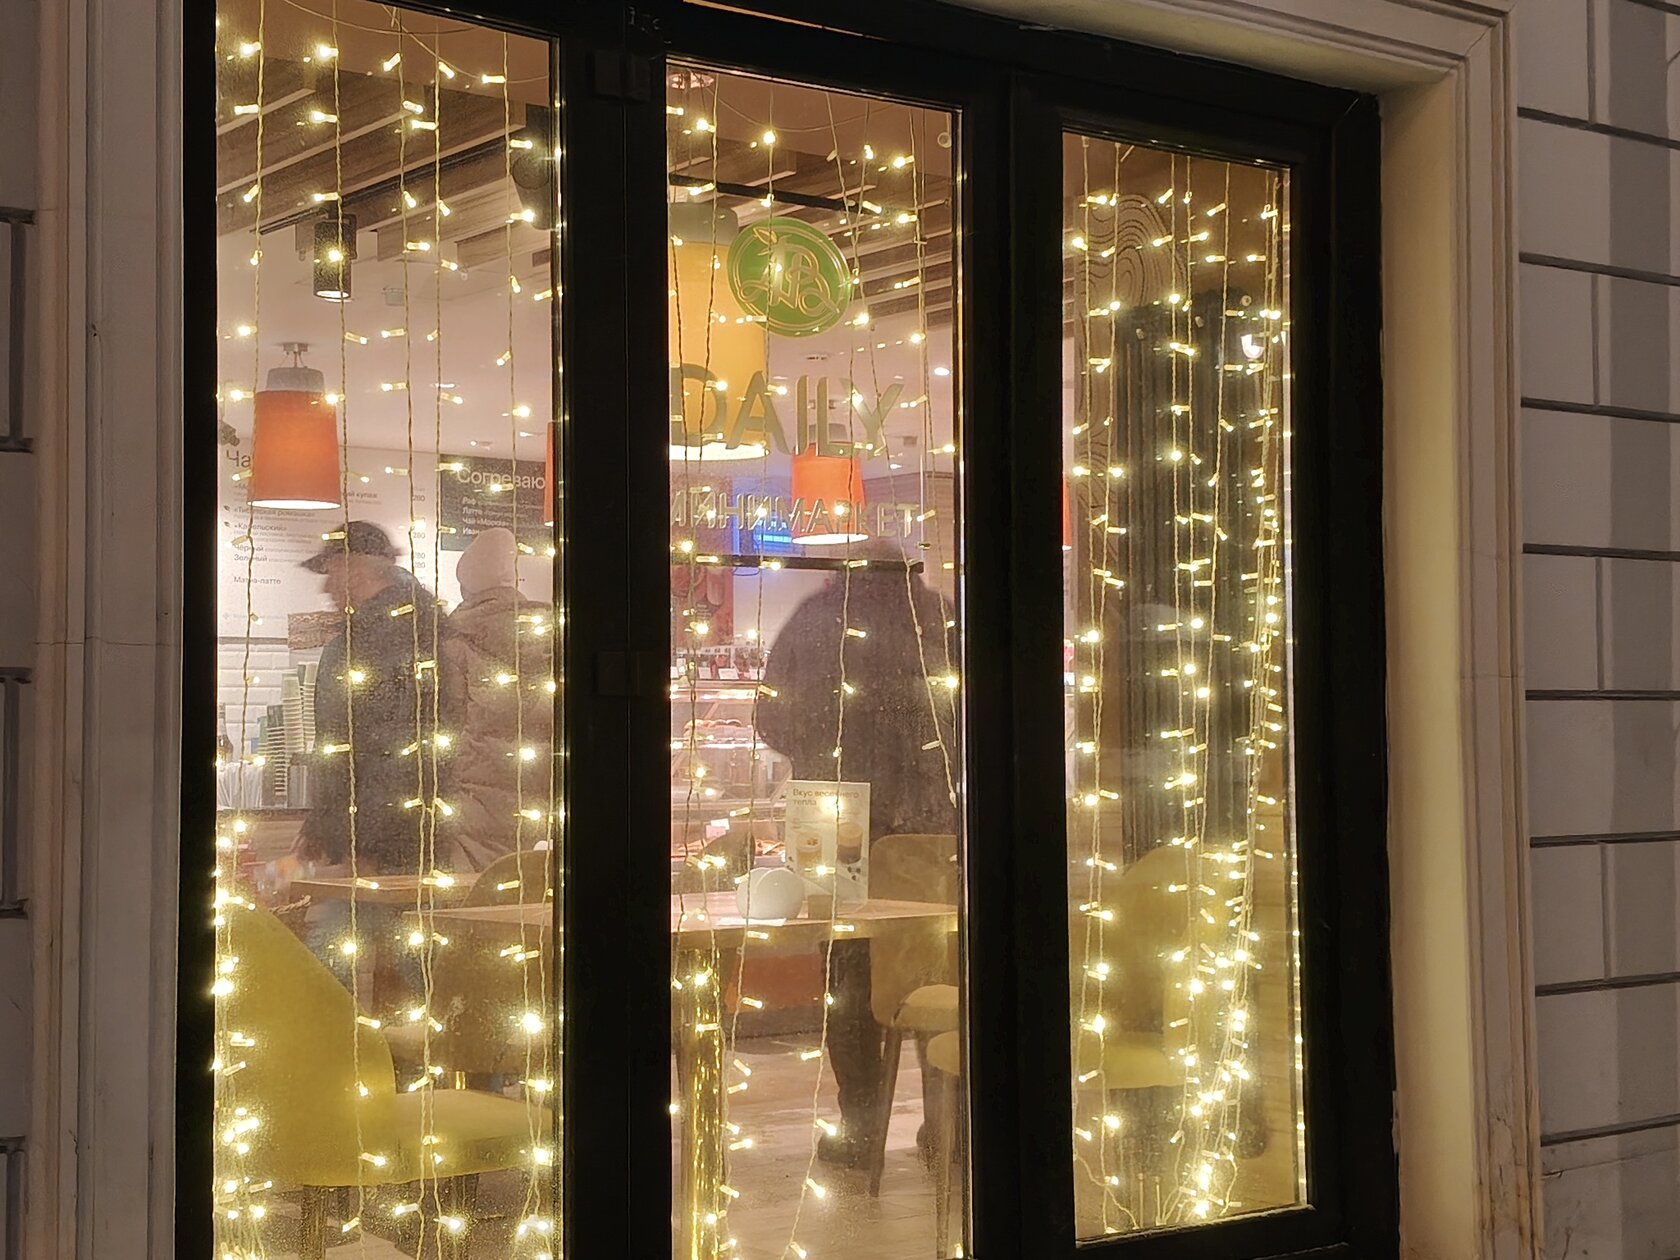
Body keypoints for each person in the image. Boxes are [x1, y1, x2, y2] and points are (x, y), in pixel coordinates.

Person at [755, 550, 960, 1166]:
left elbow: (770, 717)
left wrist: (825, 747)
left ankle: (861, 1127)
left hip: (831, 814)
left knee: (846, 976)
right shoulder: (940, 619)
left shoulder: (817, 617)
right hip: (926, 820)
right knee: (925, 969)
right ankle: (945, 1125)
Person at [285, 522, 443, 975]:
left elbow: (387, 748)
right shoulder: (416, 631)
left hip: (383, 848)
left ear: (355, 569)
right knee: (413, 965)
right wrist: (322, 825)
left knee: (331, 966)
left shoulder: (375, 642)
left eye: (331, 572)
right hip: (401, 840)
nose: (326, 588)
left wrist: (365, 844)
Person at [438, 527, 555, 872]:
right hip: (541, 796)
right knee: (532, 888)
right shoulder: (549, 638)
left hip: (474, 800)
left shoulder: (455, 643)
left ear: (466, 587)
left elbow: (447, 724)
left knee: (478, 894)